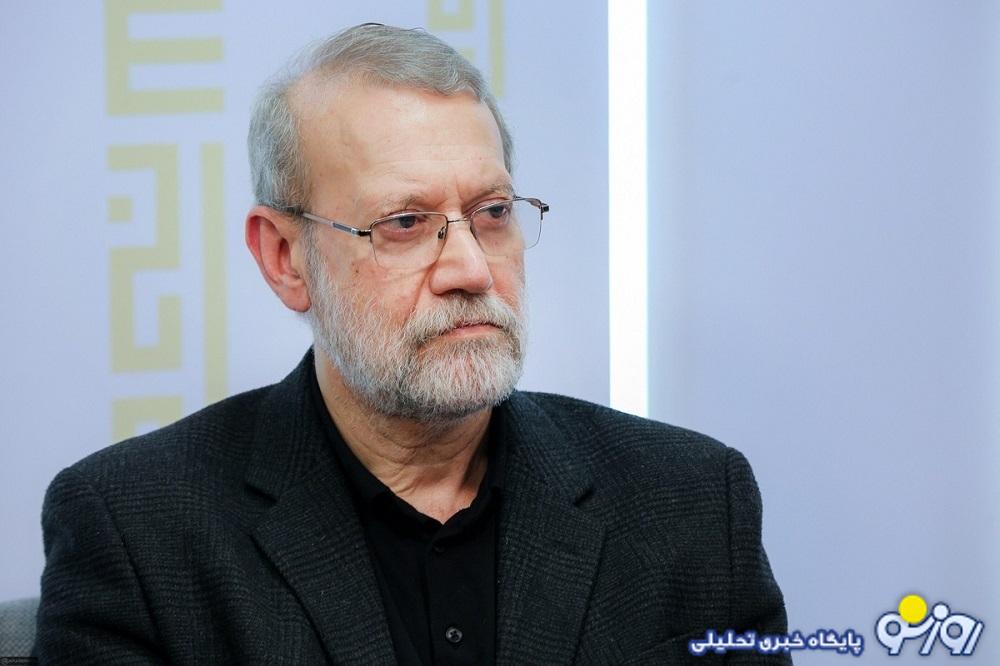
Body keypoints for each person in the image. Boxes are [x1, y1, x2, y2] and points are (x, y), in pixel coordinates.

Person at [36, 23, 788, 665]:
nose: (470, 270)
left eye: (493, 212)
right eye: (404, 223)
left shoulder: (691, 503)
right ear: (285, 258)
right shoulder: (137, 533)